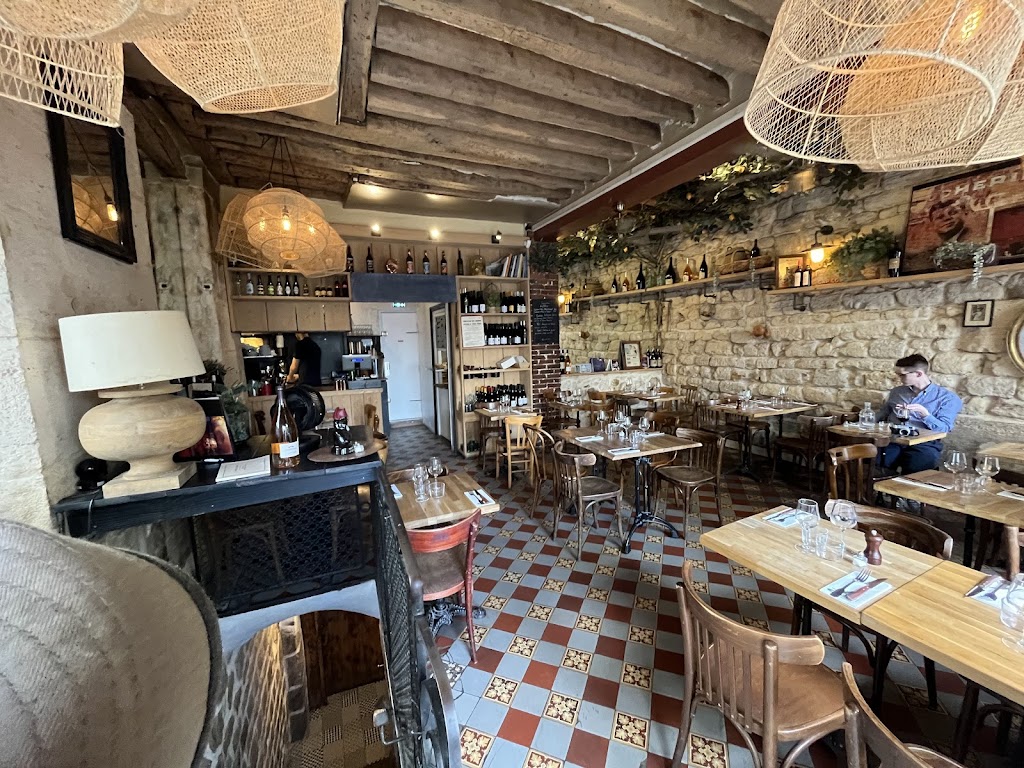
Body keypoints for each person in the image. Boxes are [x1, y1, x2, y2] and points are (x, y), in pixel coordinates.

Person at [877, 353, 962, 474]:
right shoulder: (897, 392)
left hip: (924, 443)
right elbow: (884, 413)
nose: (898, 378)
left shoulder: (947, 398)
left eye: (902, 375)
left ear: (918, 374)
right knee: (874, 464)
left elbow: (944, 428)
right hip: (894, 440)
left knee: (916, 471)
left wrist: (925, 415)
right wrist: (861, 421)